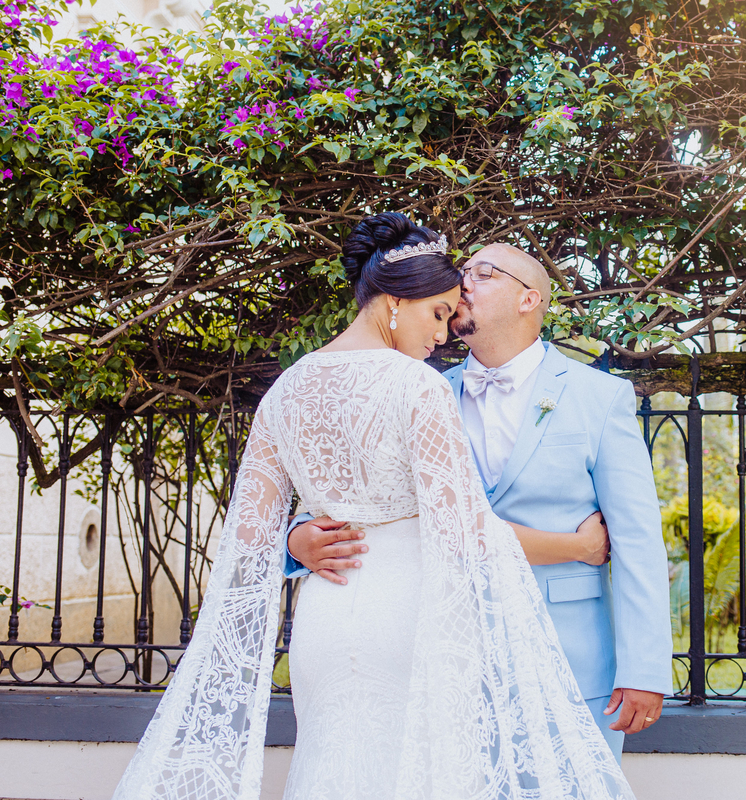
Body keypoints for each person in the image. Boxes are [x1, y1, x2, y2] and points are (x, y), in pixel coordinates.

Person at [113, 214, 635, 800]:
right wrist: (580, 546)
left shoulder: (286, 389)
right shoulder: (419, 386)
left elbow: (249, 537)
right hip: (409, 619)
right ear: (394, 302)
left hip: (323, 621)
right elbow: (466, 533)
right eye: (437, 313)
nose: (443, 334)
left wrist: (296, 541)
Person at [285, 241, 673, 759]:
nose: (463, 281)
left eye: (483, 272)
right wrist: (298, 538)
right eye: (462, 270)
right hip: (443, 661)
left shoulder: (599, 398)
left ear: (529, 299)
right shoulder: (417, 389)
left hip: (570, 658)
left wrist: (644, 668)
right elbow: (356, 490)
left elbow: (637, 540)